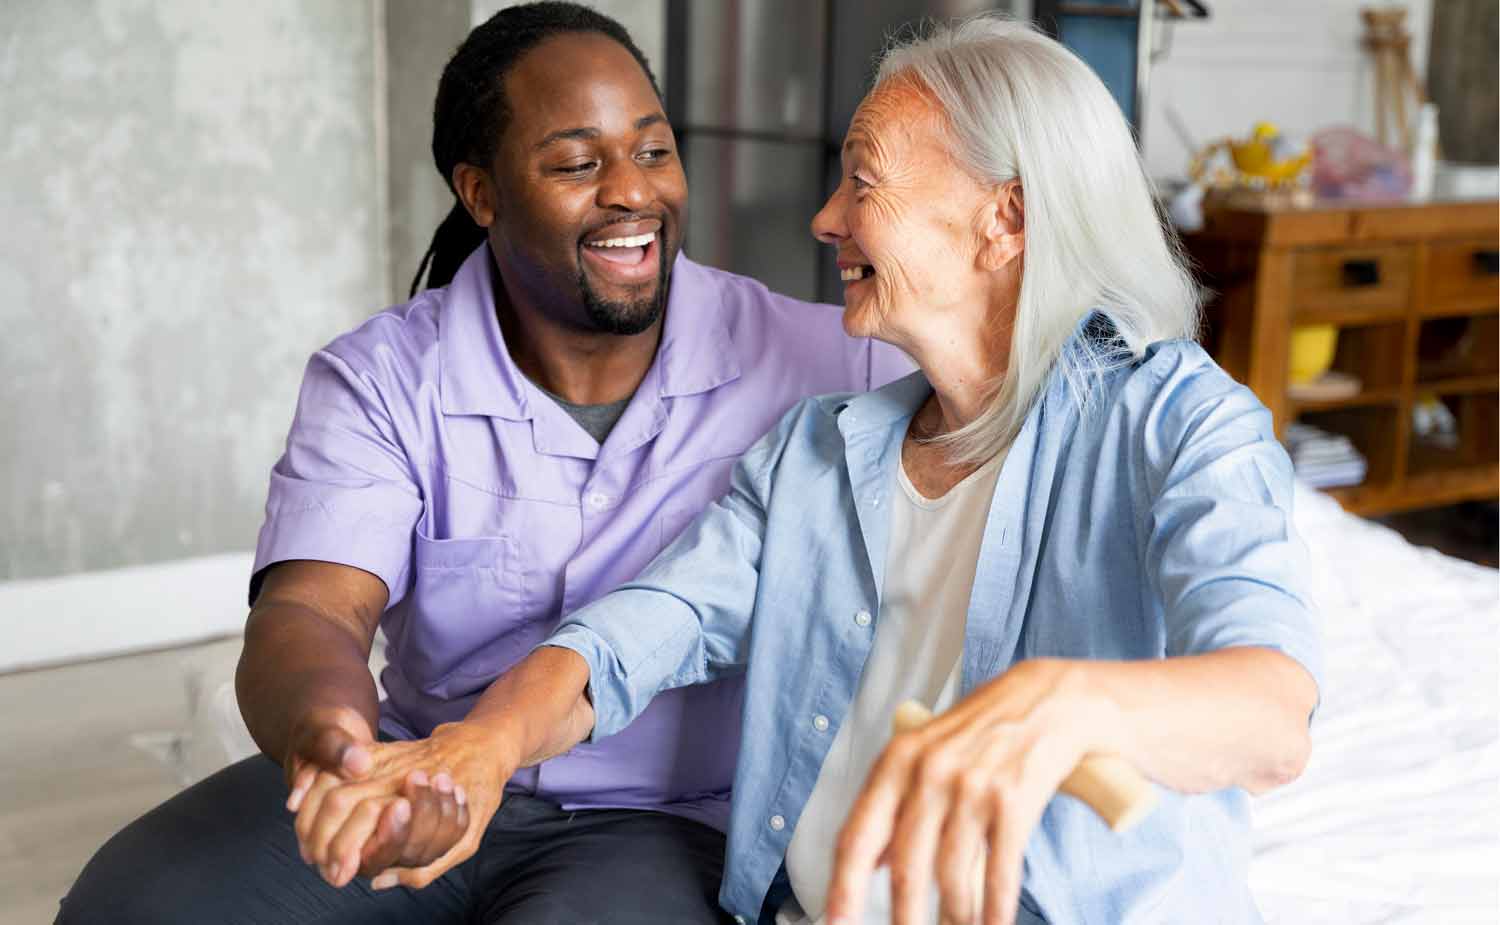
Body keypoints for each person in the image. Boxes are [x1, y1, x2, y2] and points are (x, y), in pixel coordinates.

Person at [288, 15, 1325, 925]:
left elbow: (1274, 717)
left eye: (862, 182)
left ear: (1002, 218)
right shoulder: (822, 447)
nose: (826, 219)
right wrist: (483, 745)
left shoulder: (1179, 420)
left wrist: (1069, 706)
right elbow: (641, 630)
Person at [55, 4, 908, 923]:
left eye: (654, 151)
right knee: (131, 902)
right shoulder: (382, 377)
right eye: (579, 163)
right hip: (417, 768)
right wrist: (339, 750)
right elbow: (312, 609)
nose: (632, 191)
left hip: (664, 820)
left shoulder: (832, 362)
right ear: (482, 192)